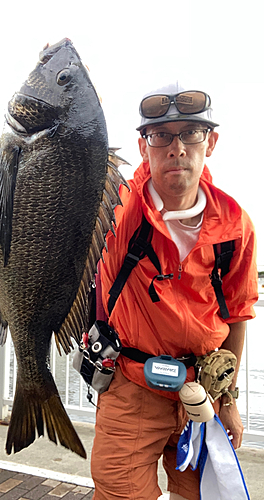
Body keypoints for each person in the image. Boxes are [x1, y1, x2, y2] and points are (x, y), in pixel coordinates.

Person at [90, 82, 258, 500]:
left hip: (202, 395)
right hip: (132, 388)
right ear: (144, 145)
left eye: (190, 133)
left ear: (211, 141)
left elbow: (237, 316)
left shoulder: (236, 225)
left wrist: (229, 400)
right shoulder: (116, 207)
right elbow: (70, 176)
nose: (176, 147)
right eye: (161, 135)